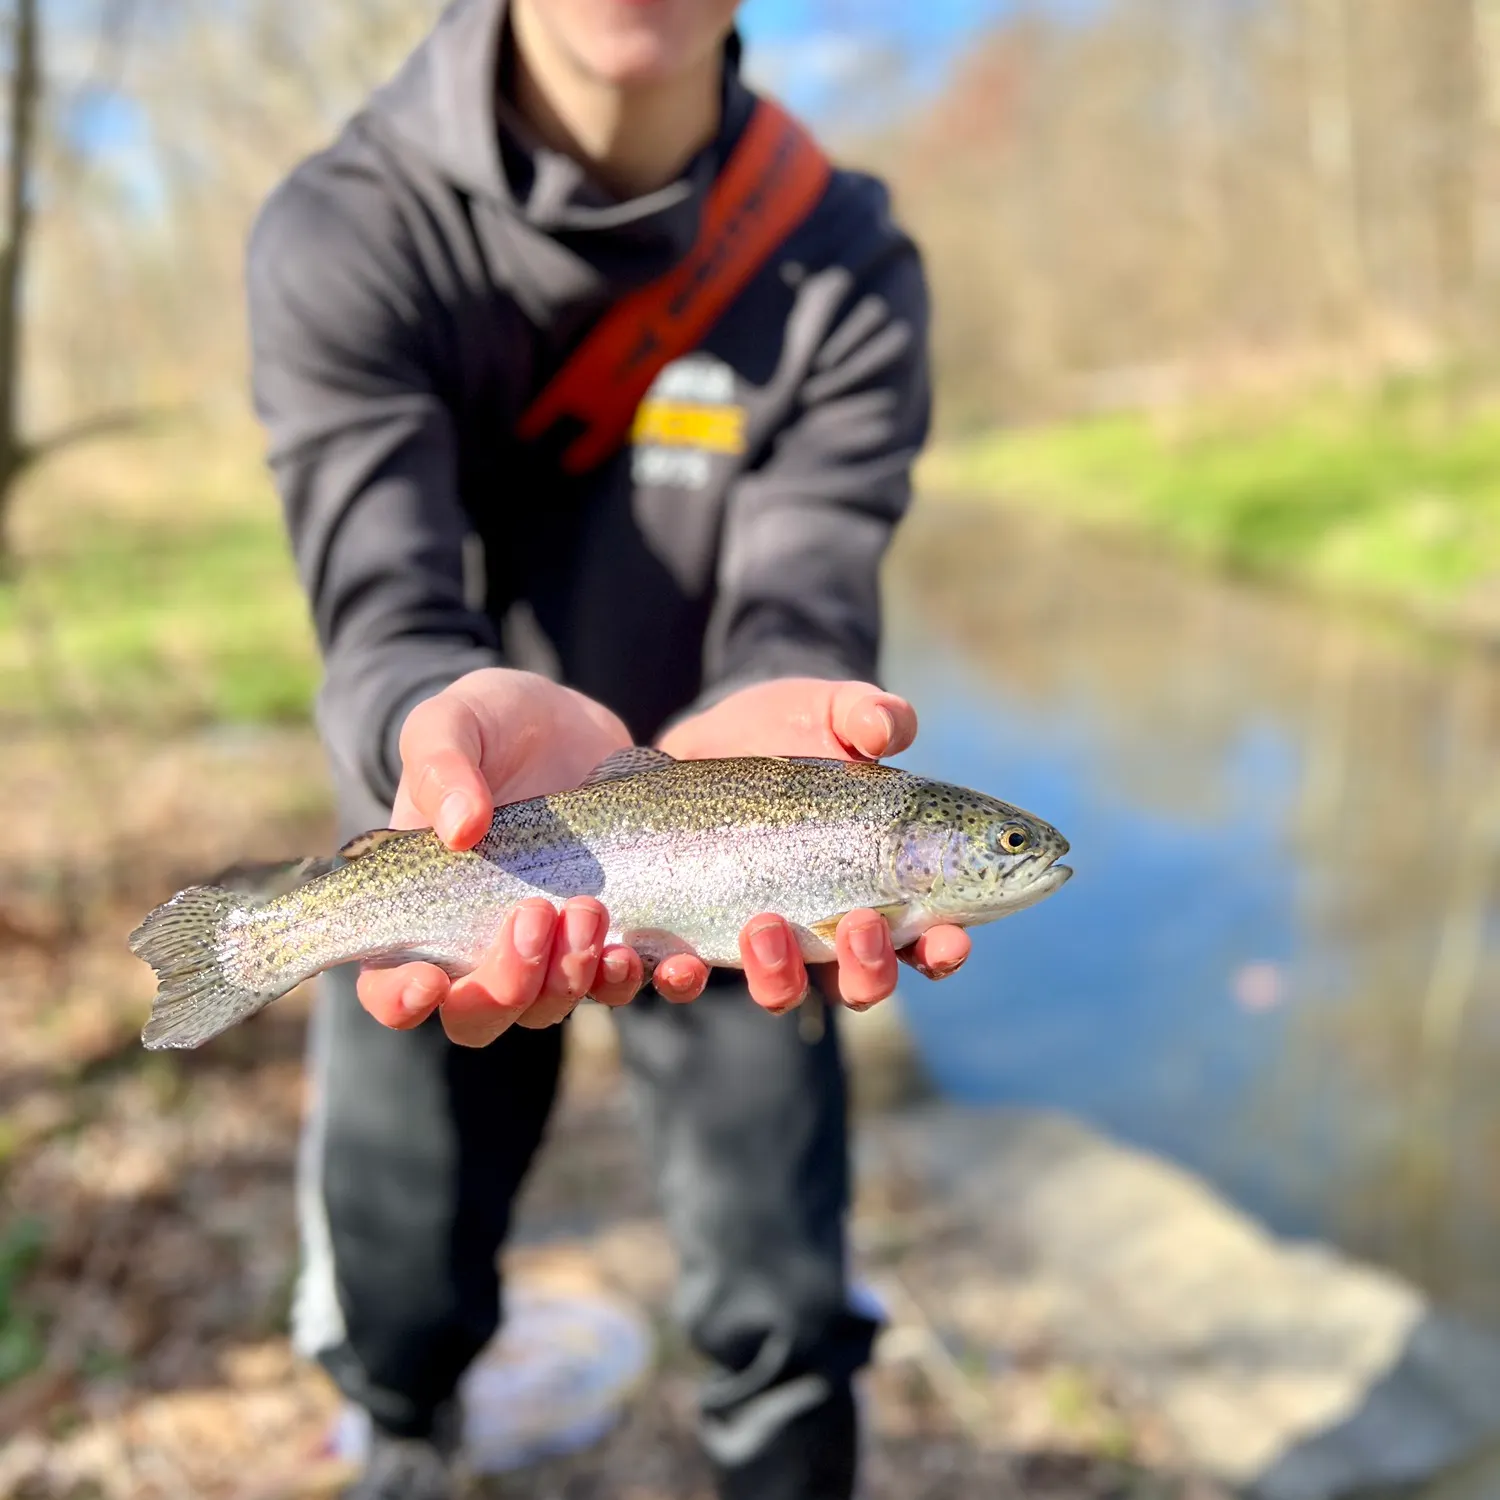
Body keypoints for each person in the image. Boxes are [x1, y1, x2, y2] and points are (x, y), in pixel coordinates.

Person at [245, 1, 971, 1496]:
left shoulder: (846, 268)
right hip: (442, 815)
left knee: (783, 1294)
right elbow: (382, 602)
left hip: (744, 835)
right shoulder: (346, 227)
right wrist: (426, 733)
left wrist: (785, 720)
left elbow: (803, 599)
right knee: (403, 1282)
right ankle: (400, 1435)